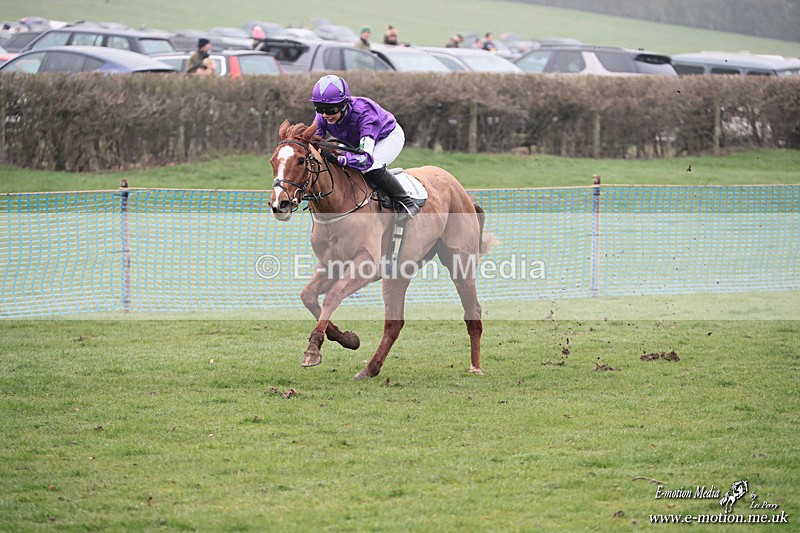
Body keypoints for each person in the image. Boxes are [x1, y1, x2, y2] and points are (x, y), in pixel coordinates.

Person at [310, 75, 419, 219]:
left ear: (344, 104)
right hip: (354, 140)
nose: (325, 114)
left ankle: (406, 202)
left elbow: (365, 159)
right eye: (320, 108)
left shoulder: (365, 114)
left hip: (387, 137)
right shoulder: (322, 116)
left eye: (331, 109)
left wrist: (340, 159)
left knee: (371, 167)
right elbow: (314, 142)